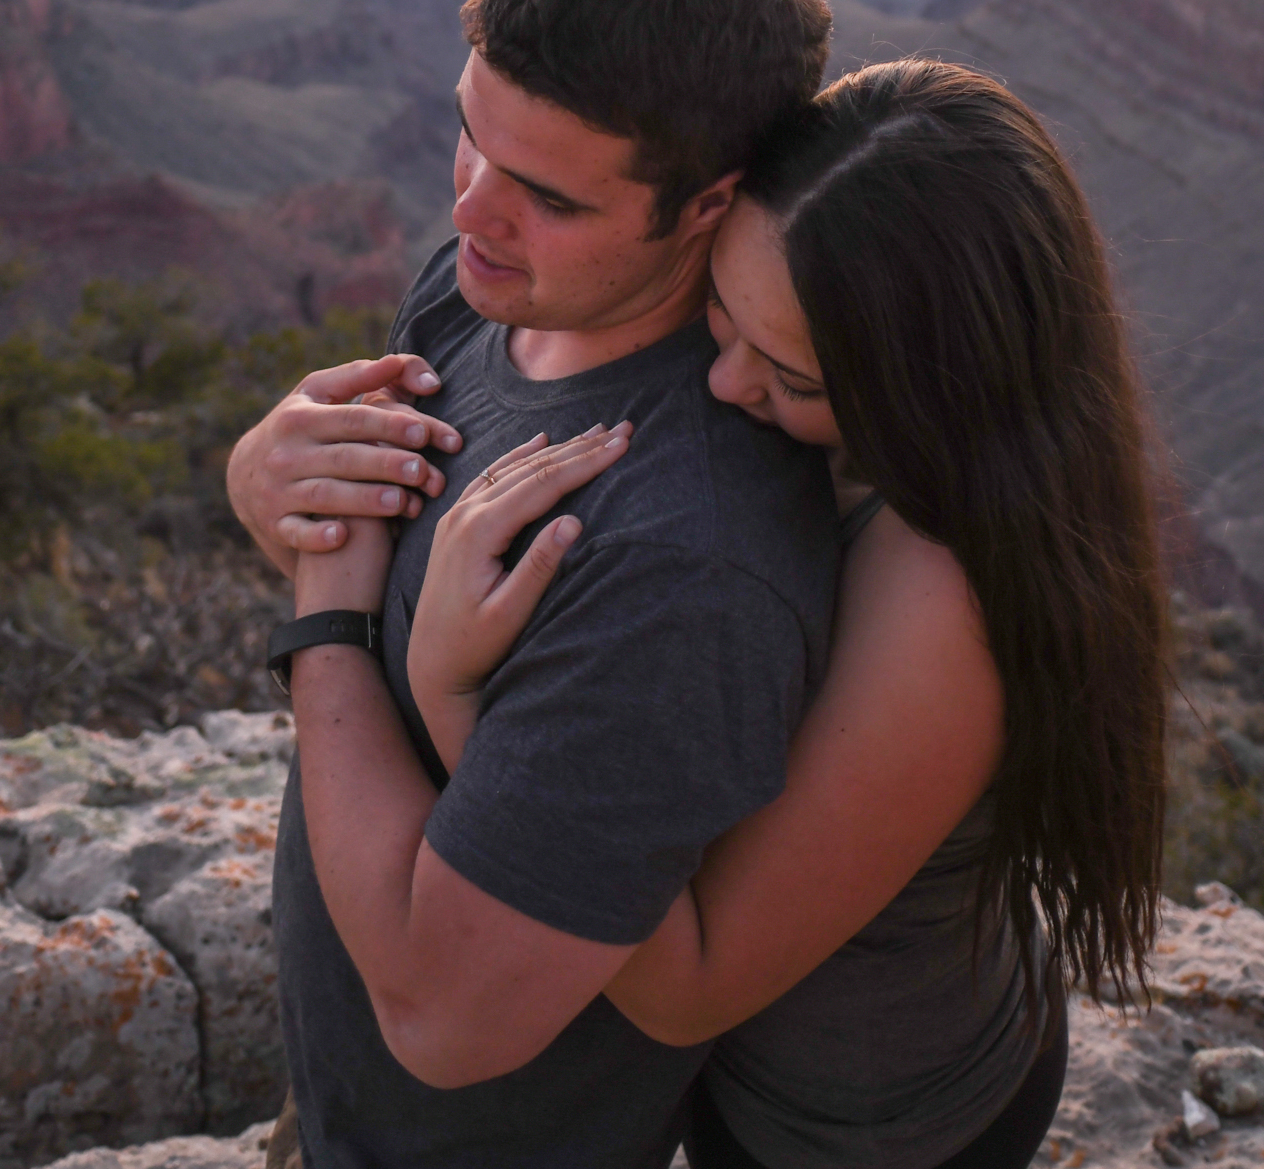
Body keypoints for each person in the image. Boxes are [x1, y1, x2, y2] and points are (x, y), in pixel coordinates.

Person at [391, 59, 1176, 1169]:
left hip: (862, 1126)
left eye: (793, 378)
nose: (724, 385)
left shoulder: (942, 600)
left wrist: (453, 692)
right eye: (723, 310)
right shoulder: (869, 432)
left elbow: (690, 988)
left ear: (932, 380)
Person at [228, 0, 845, 1168]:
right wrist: (268, 482)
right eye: (471, 135)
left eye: (550, 197)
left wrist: (323, 614)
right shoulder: (489, 291)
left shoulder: (682, 561)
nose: (469, 209)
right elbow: (372, 548)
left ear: (709, 203)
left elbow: (442, 1016)